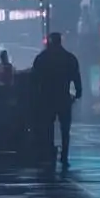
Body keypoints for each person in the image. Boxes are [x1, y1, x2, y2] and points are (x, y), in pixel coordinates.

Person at [33, 29, 82, 171]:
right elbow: (76, 78)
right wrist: (77, 93)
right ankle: (64, 156)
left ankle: (50, 153)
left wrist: (36, 96)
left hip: (47, 98)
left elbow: (34, 79)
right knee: (65, 129)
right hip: (64, 98)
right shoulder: (69, 58)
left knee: (48, 128)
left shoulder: (42, 58)